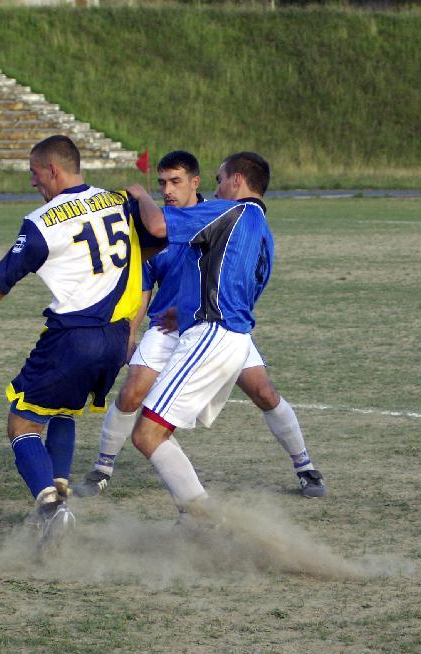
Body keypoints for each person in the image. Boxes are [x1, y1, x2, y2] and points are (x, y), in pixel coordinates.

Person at [0, 135, 165, 545]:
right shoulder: (120, 202)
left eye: (34, 172)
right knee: (63, 413)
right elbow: (155, 239)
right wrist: (140, 195)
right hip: (115, 338)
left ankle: (49, 504)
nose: (32, 182)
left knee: (21, 423)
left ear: (53, 170)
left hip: (72, 338)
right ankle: (59, 501)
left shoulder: (42, 221)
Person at [75, 151, 326, 499]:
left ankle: (304, 467)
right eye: (161, 183)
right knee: (132, 393)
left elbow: (239, 280)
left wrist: (140, 195)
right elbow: (145, 290)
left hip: (214, 328)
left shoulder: (217, 215)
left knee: (263, 393)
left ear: (197, 182)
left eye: (175, 181)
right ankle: (102, 469)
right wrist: (131, 336)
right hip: (173, 327)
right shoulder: (247, 222)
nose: (167, 189)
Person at [123, 151, 274, 518]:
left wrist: (141, 194)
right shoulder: (263, 231)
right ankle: (195, 517)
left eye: (221, 179)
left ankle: (204, 520)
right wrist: (190, 308)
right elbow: (247, 286)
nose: (217, 187)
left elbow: (158, 227)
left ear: (237, 180)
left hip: (213, 337)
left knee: (147, 434)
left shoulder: (229, 210)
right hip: (233, 339)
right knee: (156, 429)